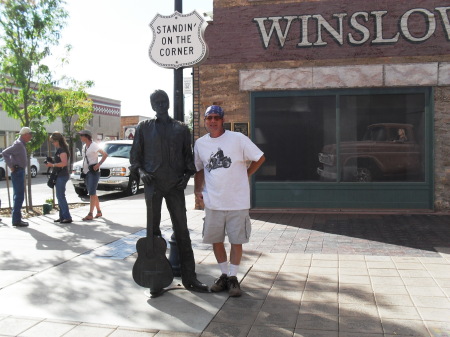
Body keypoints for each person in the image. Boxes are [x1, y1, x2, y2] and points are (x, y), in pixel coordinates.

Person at [130, 89, 208, 293]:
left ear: (168, 103)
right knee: (152, 233)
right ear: (152, 105)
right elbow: (135, 158)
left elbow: (188, 159)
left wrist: (186, 177)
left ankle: (190, 278)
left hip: (174, 186)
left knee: (182, 231)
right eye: (157, 101)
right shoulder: (143, 128)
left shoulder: (181, 128)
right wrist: (141, 173)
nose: (161, 104)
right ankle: (154, 281)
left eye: (164, 100)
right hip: (153, 185)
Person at [194, 105, 265, 297]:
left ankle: (233, 277)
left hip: (237, 201)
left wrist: (247, 173)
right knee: (216, 240)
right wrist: (197, 190)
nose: (213, 121)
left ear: (223, 120)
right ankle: (224, 274)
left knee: (236, 240)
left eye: (216, 117)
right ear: (205, 121)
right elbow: (199, 169)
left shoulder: (238, 139)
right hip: (213, 201)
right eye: (209, 117)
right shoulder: (200, 144)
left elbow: (260, 157)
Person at [1, 127, 34, 227]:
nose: (31, 136)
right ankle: (16, 220)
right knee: (19, 196)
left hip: (19, 171)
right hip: (18, 171)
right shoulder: (19, 144)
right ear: (24, 134)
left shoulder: (21, 144)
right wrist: (11, 166)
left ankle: (17, 218)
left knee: (18, 195)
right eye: (30, 134)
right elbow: (5, 153)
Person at [79, 130, 108, 221]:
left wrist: (98, 164)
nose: (80, 137)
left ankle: (90, 214)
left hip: (93, 172)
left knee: (91, 193)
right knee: (92, 193)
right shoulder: (84, 146)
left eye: (81, 135)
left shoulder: (94, 145)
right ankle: (98, 211)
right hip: (86, 171)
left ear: (86, 136)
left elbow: (105, 154)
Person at [45, 132, 72, 224]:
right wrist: (52, 162)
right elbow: (60, 161)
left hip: (62, 175)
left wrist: (52, 164)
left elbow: (64, 163)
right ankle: (62, 216)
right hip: (59, 175)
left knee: (60, 196)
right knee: (59, 196)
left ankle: (67, 217)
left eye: (53, 141)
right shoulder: (60, 150)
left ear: (57, 141)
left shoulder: (62, 150)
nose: (53, 143)